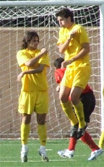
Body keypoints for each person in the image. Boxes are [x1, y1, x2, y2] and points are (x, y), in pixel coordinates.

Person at [54, 57, 103, 160]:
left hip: (82, 99)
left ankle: (92, 149)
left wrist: (59, 86)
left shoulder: (60, 71)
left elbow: (63, 83)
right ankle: (71, 150)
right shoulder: (76, 71)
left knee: (77, 125)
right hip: (89, 97)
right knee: (77, 125)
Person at [56, 8, 91, 138]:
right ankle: (74, 123)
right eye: (58, 21)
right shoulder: (63, 31)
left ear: (69, 18)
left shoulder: (79, 29)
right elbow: (61, 49)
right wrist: (69, 38)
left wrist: (71, 59)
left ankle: (82, 124)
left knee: (74, 97)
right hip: (70, 68)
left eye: (62, 20)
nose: (60, 23)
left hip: (82, 66)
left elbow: (87, 49)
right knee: (62, 97)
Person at [16, 31, 50, 162]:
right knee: (26, 119)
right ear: (27, 41)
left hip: (41, 91)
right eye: (33, 41)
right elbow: (29, 63)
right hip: (28, 91)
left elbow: (40, 68)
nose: (36, 43)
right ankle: (24, 147)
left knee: (41, 120)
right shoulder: (21, 53)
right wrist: (41, 53)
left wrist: (25, 73)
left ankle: (42, 148)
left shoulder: (42, 53)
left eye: (37, 41)